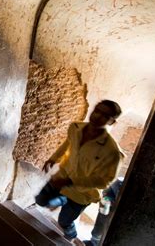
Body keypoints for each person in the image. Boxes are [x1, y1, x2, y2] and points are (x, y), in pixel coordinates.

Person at [35, 100, 125, 241]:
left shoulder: (112, 152)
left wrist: (71, 181)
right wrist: (54, 158)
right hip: (61, 178)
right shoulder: (75, 127)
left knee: (64, 221)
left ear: (112, 122)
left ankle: (71, 237)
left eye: (105, 115)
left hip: (82, 193)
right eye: (97, 110)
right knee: (40, 200)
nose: (97, 116)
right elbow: (68, 143)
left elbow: (104, 181)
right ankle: (61, 199)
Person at [83, 177, 124, 246]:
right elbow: (107, 192)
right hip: (108, 209)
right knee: (99, 227)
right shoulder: (120, 182)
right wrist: (106, 200)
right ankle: (93, 242)